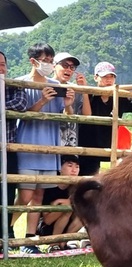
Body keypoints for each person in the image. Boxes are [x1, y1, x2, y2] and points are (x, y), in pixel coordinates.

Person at [12, 43, 76, 254]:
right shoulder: (20, 83)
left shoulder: (55, 84)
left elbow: (66, 117)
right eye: (46, 60)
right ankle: (7, 228)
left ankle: (29, 242)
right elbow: (20, 114)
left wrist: (67, 103)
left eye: (51, 60)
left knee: (38, 196)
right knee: (25, 195)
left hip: (50, 146)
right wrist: (41, 100)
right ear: (33, 61)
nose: (48, 64)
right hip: (28, 145)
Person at [78, 61, 132, 176]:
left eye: (111, 77)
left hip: (110, 146)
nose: (108, 80)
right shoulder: (90, 94)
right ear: (96, 78)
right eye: (105, 77)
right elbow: (88, 112)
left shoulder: (119, 97)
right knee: (87, 180)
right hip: (88, 146)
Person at [0, 50, 27, 249]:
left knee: (9, 192)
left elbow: (20, 104)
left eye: (3, 64)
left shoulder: (14, 85)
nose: (1, 68)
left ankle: (5, 235)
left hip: (8, 148)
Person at [36, 155, 83, 252]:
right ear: (60, 168)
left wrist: (58, 202)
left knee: (84, 213)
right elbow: (47, 220)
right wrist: (64, 205)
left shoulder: (76, 186)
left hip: (67, 226)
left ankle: (63, 242)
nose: (74, 170)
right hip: (47, 228)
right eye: (70, 166)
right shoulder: (49, 186)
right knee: (66, 208)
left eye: (77, 167)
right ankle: (53, 244)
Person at [52, 52, 87, 146]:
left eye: (72, 67)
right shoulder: (45, 86)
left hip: (70, 140)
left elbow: (87, 114)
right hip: (50, 136)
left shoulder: (75, 89)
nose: (68, 70)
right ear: (53, 66)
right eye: (65, 65)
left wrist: (84, 88)